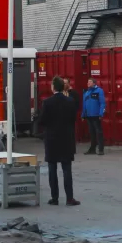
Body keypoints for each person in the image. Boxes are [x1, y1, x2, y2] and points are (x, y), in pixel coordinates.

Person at [37, 76, 80, 206]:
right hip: (67, 138)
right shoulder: (70, 101)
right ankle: (69, 198)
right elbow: (73, 119)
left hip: (51, 139)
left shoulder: (47, 102)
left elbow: (42, 121)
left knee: (52, 168)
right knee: (67, 169)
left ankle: (54, 198)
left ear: (53, 87)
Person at [82, 77, 106, 156]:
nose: (88, 83)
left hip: (96, 115)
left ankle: (101, 149)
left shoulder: (99, 91)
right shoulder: (86, 92)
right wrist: (83, 114)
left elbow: (102, 103)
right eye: (87, 82)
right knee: (92, 132)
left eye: (90, 82)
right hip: (89, 115)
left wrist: (101, 113)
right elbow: (84, 105)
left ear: (94, 83)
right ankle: (92, 149)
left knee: (99, 132)